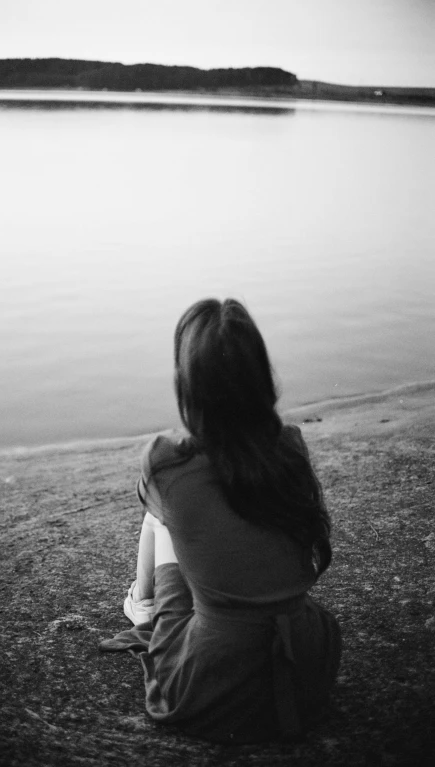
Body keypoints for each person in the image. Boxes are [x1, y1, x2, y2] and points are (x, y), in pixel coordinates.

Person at [99, 298, 341, 743]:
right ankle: (148, 605)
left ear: (188, 383)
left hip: (215, 675)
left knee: (160, 520)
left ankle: (142, 604)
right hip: (308, 659)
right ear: (260, 377)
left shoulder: (166, 462)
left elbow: (155, 505)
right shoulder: (289, 448)